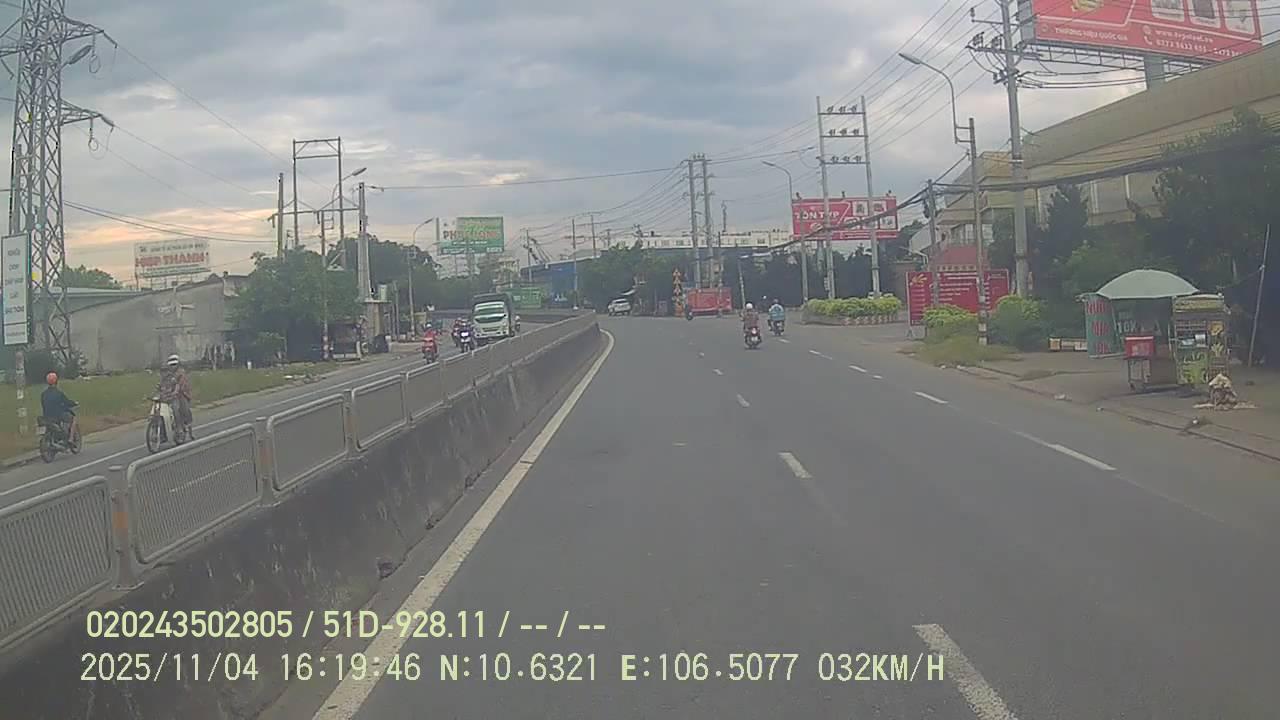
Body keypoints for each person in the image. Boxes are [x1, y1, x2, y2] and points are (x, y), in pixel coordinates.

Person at [157, 354, 193, 435]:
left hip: (183, 394)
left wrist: (175, 392)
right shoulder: (168, 374)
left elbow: (180, 385)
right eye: (171, 365)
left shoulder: (181, 373)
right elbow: (162, 383)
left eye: (174, 365)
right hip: (171, 395)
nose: (172, 367)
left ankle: (180, 427)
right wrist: (159, 388)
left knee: (176, 408)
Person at [40, 372, 77, 442]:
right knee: (73, 418)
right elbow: (67, 402)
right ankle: (71, 439)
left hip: (46, 415)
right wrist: (74, 403)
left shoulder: (43, 394)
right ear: (56, 381)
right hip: (58, 415)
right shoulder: (59, 393)